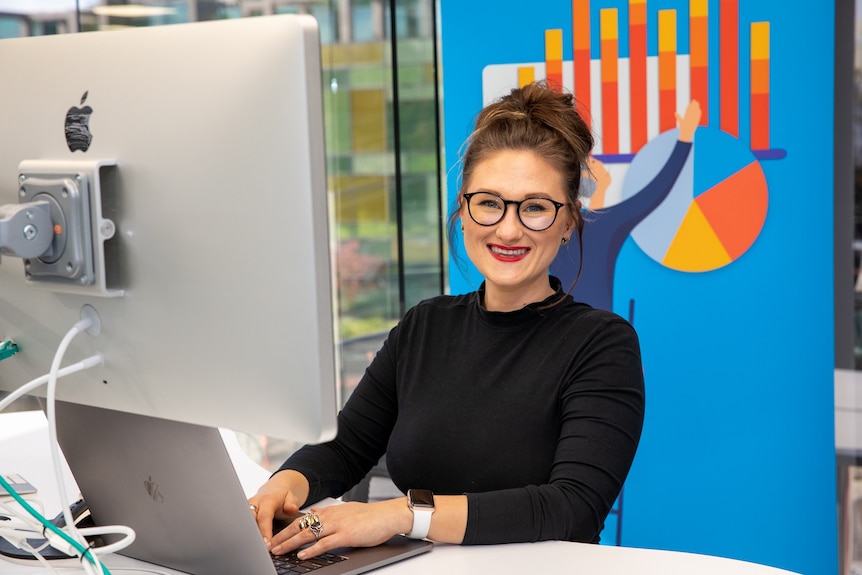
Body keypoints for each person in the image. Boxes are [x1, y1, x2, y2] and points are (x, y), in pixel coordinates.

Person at [248, 81, 645, 560]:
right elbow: (344, 448)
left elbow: (573, 507)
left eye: (536, 207)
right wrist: (280, 487)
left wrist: (402, 515)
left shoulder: (602, 344)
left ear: (568, 222)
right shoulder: (425, 327)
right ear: (464, 209)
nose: (508, 228)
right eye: (489, 202)